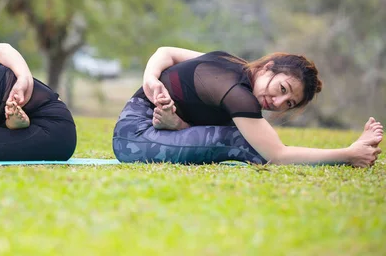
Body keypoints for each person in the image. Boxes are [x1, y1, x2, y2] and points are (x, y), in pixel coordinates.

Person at [113, 47, 383, 167]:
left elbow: (167, 53)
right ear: (268, 68)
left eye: (288, 103)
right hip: (134, 137)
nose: (276, 103)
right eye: (282, 89)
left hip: (151, 131)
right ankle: (350, 155)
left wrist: (178, 126)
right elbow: (277, 154)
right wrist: (348, 154)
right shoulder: (236, 91)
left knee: (245, 135)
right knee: (242, 140)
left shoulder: (232, 66)